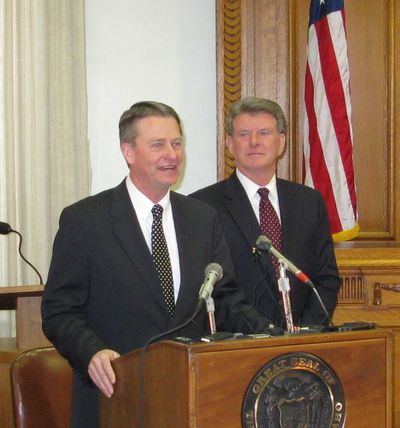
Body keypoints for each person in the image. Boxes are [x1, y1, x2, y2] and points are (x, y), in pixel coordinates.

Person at [41, 101, 273, 427]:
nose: (172, 154)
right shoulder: (85, 220)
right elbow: (58, 311)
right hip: (115, 398)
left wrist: (274, 336)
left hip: (191, 398)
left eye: (177, 143)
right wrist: (93, 352)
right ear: (129, 151)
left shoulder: (202, 218)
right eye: (158, 145)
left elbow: (225, 299)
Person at [190, 96, 340, 328]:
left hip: (306, 343)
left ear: (281, 142)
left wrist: (309, 332)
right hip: (237, 346)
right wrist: (269, 333)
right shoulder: (203, 207)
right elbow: (217, 290)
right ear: (229, 143)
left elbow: (326, 278)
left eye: (264, 133)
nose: (254, 142)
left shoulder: (309, 202)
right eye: (243, 134)